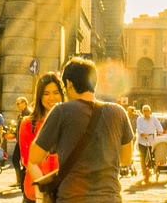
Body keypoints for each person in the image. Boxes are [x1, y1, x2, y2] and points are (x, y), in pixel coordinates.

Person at [26, 56, 133, 203]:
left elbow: (34, 157)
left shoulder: (61, 111)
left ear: (69, 84)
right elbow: (126, 159)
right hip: (110, 198)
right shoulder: (119, 112)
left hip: (72, 198)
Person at [20, 71, 63, 202]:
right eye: (46, 93)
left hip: (63, 192)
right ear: (39, 96)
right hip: (35, 194)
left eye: (56, 93)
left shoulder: (70, 121)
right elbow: (27, 160)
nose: (52, 98)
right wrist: (45, 191)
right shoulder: (28, 123)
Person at [134, 104, 163, 186]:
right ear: (143, 112)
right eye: (144, 111)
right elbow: (139, 129)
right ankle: (145, 173)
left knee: (152, 157)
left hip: (151, 141)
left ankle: (150, 169)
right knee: (142, 158)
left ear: (150, 111)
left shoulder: (154, 119)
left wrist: (160, 131)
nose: (146, 112)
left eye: (147, 110)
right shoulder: (139, 119)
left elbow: (159, 126)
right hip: (142, 141)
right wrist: (143, 133)